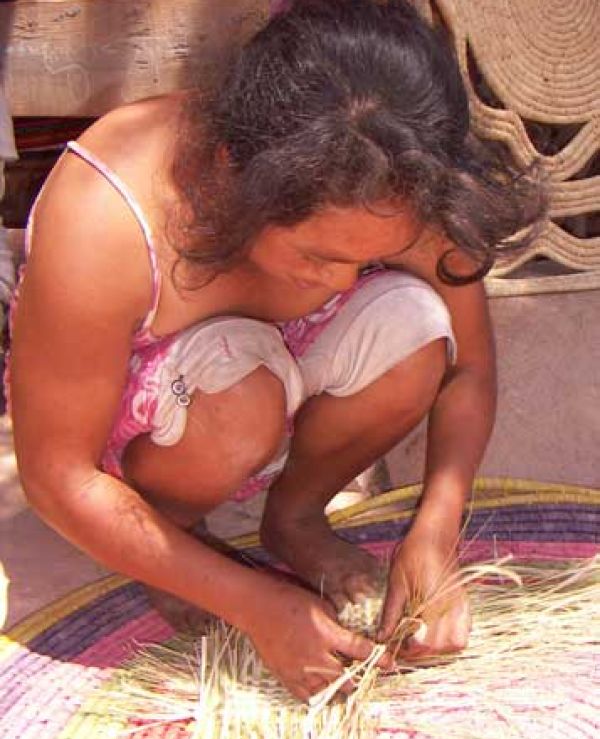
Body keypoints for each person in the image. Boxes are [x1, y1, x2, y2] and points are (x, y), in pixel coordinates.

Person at [7, 0, 545, 702]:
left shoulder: (402, 179)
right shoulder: (110, 213)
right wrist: (254, 604)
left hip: (270, 382)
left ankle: (294, 518)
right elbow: (57, 476)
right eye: (320, 257)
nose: (348, 283)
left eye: (372, 259)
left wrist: (437, 528)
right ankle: (173, 538)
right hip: (158, 429)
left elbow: (468, 363)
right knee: (240, 398)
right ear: (237, 174)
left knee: (416, 322)